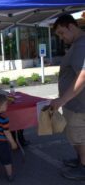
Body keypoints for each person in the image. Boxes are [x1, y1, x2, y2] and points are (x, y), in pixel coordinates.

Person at [50, 14, 85, 180]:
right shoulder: (77, 44)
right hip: (75, 104)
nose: (61, 38)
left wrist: (62, 100)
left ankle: (83, 167)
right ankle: (80, 160)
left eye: (62, 33)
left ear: (71, 27)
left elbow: (83, 76)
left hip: (78, 105)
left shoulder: (81, 45)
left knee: (80, 136)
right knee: (75, 135)